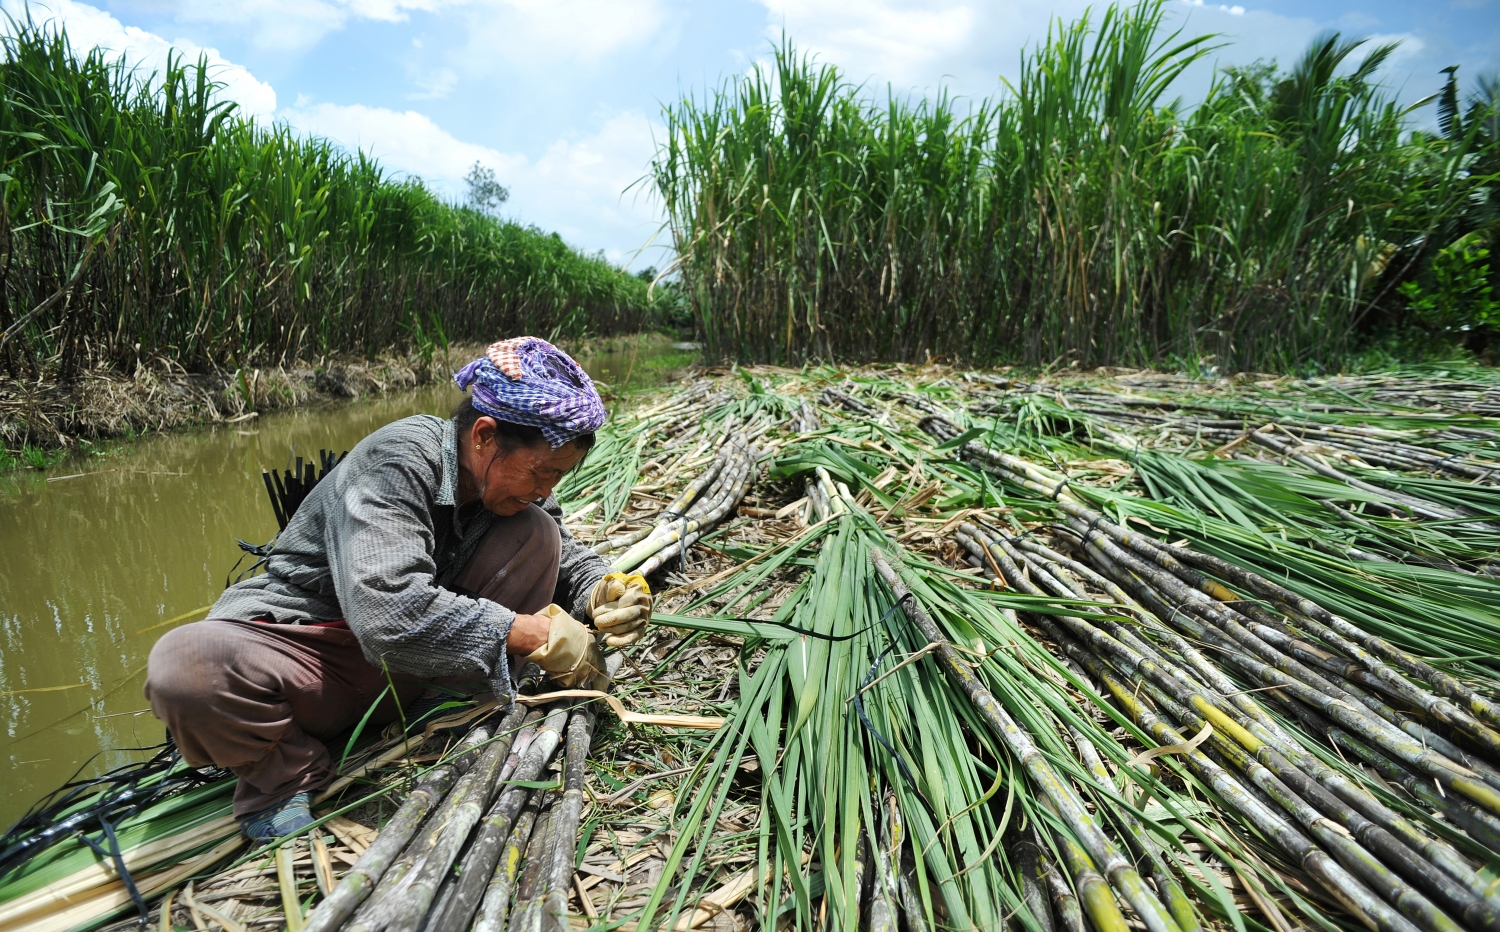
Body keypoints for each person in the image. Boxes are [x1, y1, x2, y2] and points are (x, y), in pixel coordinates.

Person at [143, 337, 655, 842]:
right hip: (322, 660)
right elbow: (387, 615)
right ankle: (283, 777)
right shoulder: (397, 462)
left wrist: (602, 590)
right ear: (484, 435)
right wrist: (520, 631)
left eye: (558, 477)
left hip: (424, 669)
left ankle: (449, 711)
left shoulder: (512, 490)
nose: (546, 489)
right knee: (185, 668)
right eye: (542, 471)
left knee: (537, 532)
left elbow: (561, 545)